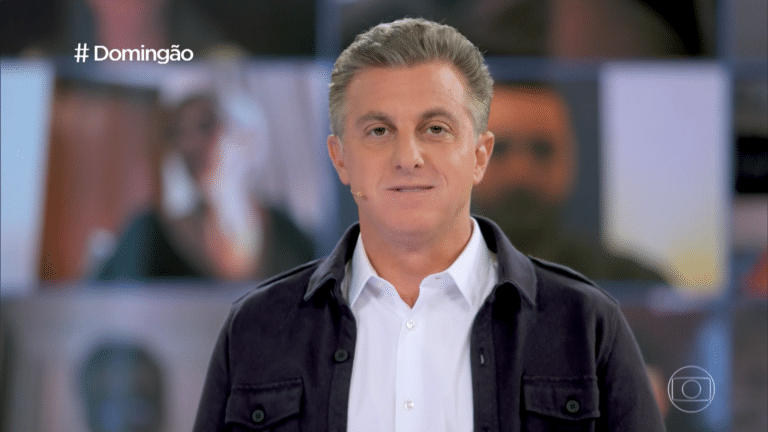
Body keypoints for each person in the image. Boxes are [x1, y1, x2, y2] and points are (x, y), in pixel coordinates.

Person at [194, 18, 665, 431]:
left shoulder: (589, 325)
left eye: (435, 129)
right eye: (379, 131)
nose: (408, 157)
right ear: (340, 158)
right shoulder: (255, 329)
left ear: (478, 154)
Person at [473, 84, 667, 282]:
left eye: (541, 150)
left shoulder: (634, 284)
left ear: (570, 162)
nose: (520, 173)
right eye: (499, 149)